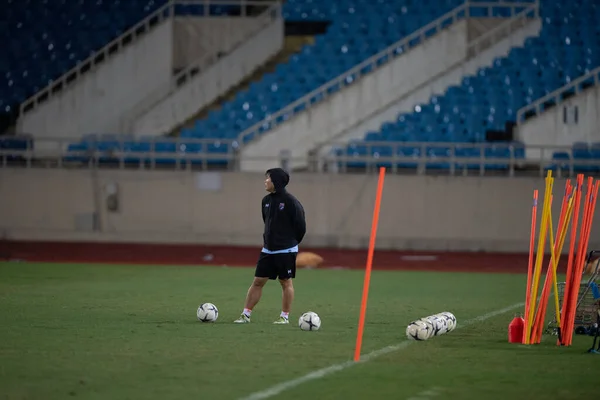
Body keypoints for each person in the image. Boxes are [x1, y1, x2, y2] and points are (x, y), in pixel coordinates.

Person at [234, 167, 306, 324]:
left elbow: (301, 227)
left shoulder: (291, 202)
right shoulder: (265, 201)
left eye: (268, 178)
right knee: (258, 281)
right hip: (268, 249)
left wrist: (290, 243)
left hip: (286, 249)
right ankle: (245, 315)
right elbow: (266, 222)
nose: (265, 181)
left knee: (285, 282)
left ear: (277, 182)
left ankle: (284, 317)